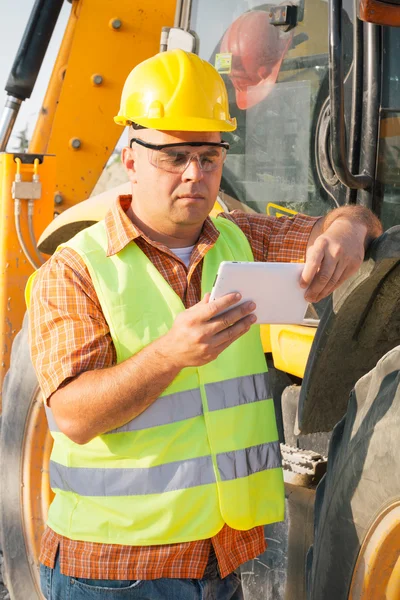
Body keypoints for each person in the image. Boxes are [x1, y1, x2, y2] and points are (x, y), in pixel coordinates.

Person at [29, 49, 382, 600]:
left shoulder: (241, 237)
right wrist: (170, 354)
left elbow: (347, 220)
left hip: (220, 563)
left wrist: (348, 229)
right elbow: (71, 416)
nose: (195, 174)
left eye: (209, 156)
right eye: (174, 156)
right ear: (132, 157)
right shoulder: (75, 269)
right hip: (116, 575)